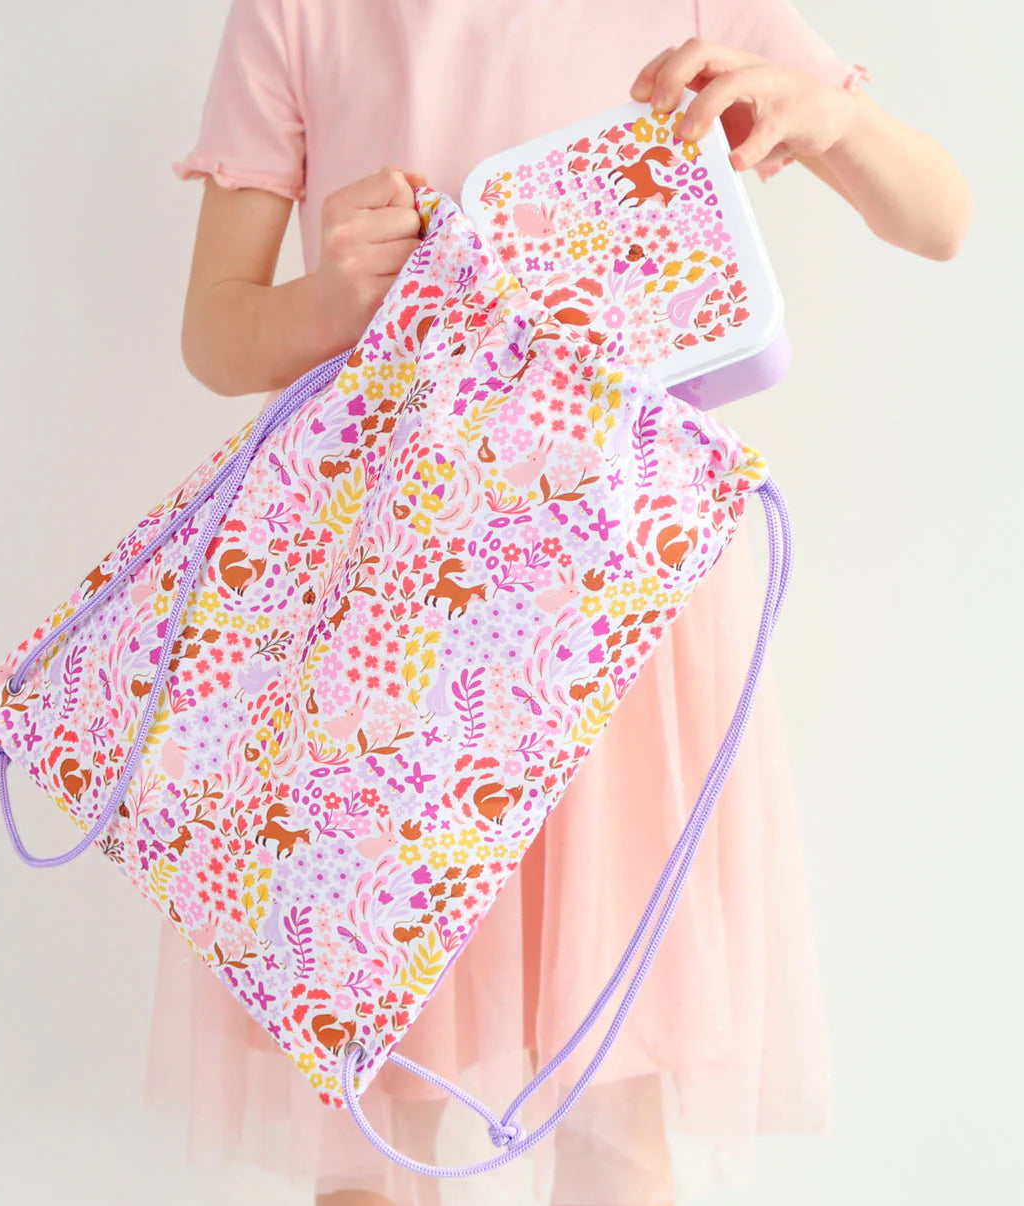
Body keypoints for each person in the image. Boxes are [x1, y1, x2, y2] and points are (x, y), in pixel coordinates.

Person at [143, 4, 972, 1205]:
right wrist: (337, 297)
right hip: (385, 614)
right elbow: (216, 333)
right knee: (369, 1104)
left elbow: (937, 216)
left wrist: (827, 117)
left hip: (608, 612)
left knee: (612, 1107)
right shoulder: (299, 15)